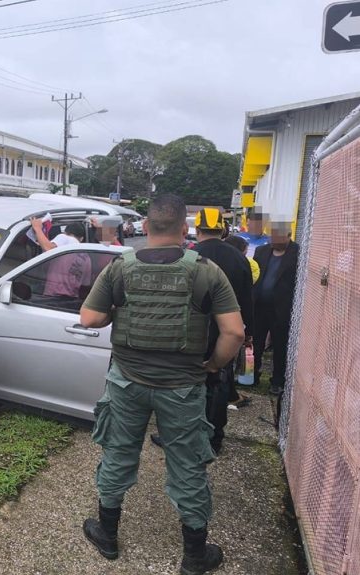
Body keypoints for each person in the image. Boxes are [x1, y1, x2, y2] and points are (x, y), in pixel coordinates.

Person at [79, 194, 244, 575]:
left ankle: (107, 534)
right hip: (183, 387)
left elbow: (89, 318)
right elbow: (234, 333)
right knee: (187, 465)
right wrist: (212, 365)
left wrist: (117, 312)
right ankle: (194, 556)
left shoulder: (120, 267)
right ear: (184, 229)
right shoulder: (206, 271)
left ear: (146, 227)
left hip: (127, 382)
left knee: (118, 453)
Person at [191, 208, 253, 454]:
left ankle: (183, 436)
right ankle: (214, 439)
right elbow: (248, 299)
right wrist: (248, 332)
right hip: (228, 331)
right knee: (220, 383)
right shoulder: (239, 258)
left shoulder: (190, 255)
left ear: (198, 230)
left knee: (188, 387)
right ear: (223, 230)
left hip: (193, 333)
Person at [252, 222, 299, 396]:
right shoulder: (261, 251)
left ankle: (277, 381)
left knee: (280, 346)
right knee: (256, 344)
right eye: (272, 236)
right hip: (260, 307)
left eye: (278, 237)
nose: (273, 240)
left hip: (282, 309)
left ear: (288, 236)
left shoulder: (297, 253)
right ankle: (252, 376)